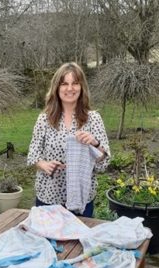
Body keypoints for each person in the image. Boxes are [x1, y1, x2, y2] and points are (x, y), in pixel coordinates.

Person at [27, 62, 110, 217]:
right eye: (64, 84)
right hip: (49, 197)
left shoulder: (93, 119)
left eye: (75, 83)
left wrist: (95, 143)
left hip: (81, 198)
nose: (70, 88)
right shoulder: (44, 119)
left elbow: (103, 164)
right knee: (48, 241)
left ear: (82, 87)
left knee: (77, 241)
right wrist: (44, 165)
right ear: (57, 88)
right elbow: (33, 155)